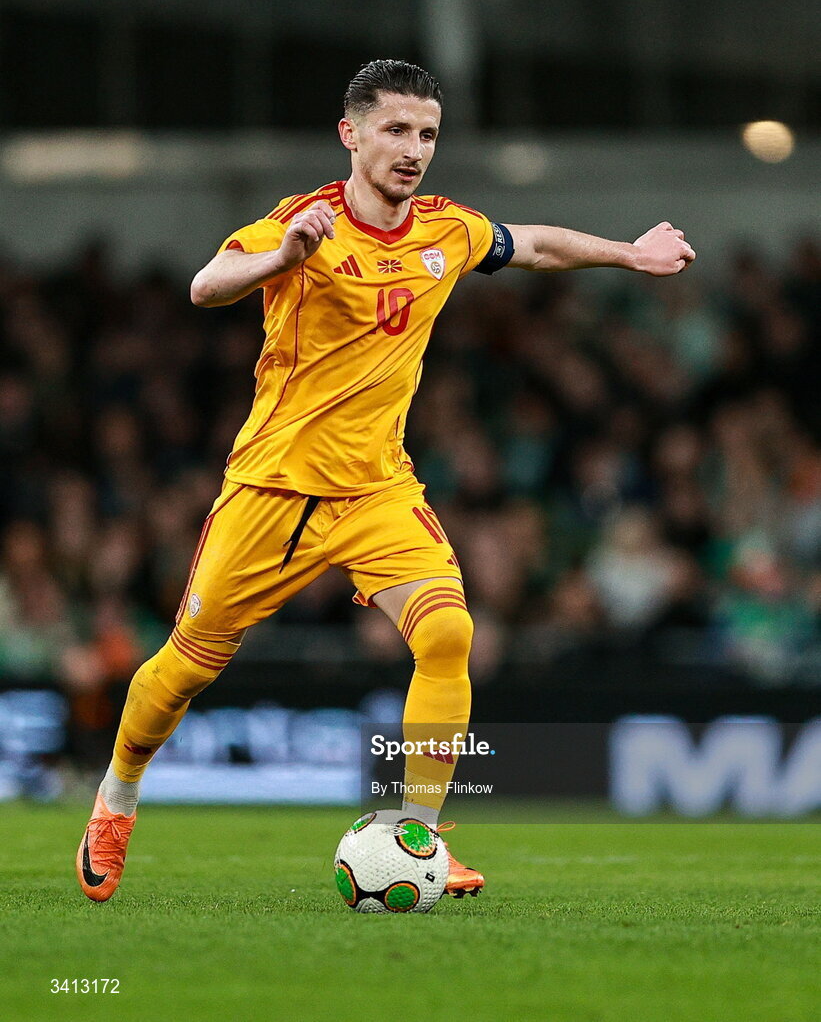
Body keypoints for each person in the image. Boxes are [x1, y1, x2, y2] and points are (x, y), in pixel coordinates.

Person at [76, 59, 695, 903]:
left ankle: (420, 838)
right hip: (276, 489)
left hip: (378, 492)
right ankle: (116, 797)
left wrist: (629, 252)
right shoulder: (303, 222)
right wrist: (281, 258)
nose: (413, 150)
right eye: (397, 130)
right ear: (351, 133)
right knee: (185, 667)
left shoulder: (445, 229)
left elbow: (533, 243)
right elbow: (204, 284)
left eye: (428, 134)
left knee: (448, 635)